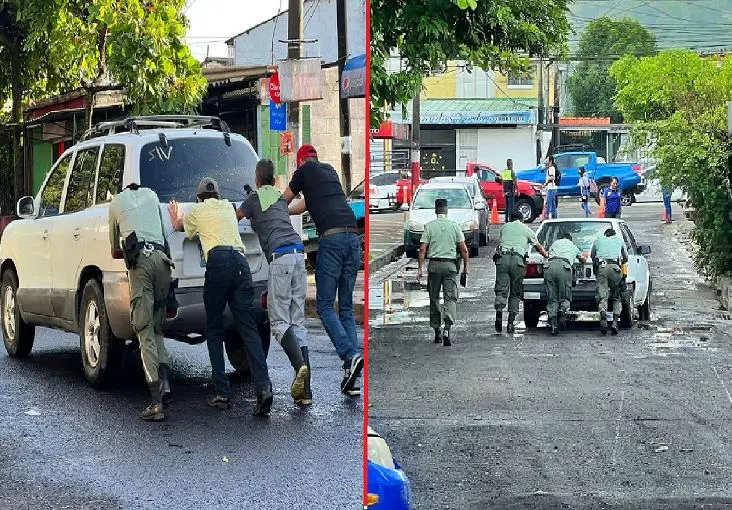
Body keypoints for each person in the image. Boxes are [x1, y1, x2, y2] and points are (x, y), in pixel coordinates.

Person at [168, 177, 273, 416]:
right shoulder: (227, 206)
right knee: (248, 329)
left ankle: (222, 394)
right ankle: (264, 388)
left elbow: (178, 226)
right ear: (218, 194)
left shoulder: (198, 210)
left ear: (199, 198)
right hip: (240, 262)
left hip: (218, 263)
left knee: (215, 329)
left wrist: (176, 214)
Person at [283, 145, 364, 396]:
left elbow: (285, 199)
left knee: (325, 306)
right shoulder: (329, 172)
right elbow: (302, 205)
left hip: (333, 241)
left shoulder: (303, 171)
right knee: (347, 306)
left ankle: (349, 355)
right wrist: (284, 210)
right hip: (353, 239)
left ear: (300, 162)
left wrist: (266, 203)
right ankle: (352, 375)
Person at [236, 159, 311, 406]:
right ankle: (305, 393)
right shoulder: (279, 198)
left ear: (257, 179)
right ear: (275, 181)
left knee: (278, 322)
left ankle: (299, 366)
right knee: (297, 322)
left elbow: (234, 217)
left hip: (279, 258)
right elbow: (292, 209)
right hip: (300, 255)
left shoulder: (254, 199)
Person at [109, 183, 173, 422]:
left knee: (143, 330)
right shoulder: (153, 194)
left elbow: (115, 248)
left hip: (142, 265)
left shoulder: (116, 202)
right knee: (157, 329)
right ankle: (165, 385)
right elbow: (164, 235)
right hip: (163, 262)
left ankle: (156, 403)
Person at [417, 198, 470, 346]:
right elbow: (464, 250)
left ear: (436, 210)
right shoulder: (454, 226)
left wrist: (420, 268)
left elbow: (422, 249)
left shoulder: (429, 227)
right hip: (450, 267)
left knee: (434, 298)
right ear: (446, 211)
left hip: (434, 266)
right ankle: (447, 328)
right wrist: (465, 268)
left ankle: (437, 331)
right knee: (450, 298)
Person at [494, 212, 549, 333]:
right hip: (518, 261)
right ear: (522, 219)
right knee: (515, 291)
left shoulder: (505, 227)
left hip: (503, 259)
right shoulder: (526, 229)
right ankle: (510, 323)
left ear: (510, 218)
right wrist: (546, 255)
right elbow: (538, 246)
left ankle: (498, 315)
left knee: (501, 289)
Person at [544, 232, 588, 335]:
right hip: (564, 268)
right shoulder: (573, 246)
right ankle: (562, 310)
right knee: (565, 295)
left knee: (552, 297)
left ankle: (553, 324)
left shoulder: (554, 244)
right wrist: (584, 256)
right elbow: (583, 260)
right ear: (570, 239)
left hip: (549, 267)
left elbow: (548, 255)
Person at [591, 227, 629, 335]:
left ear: (605, 234)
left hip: (602, 268)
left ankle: (603, 317)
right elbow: (625, 258)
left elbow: (592, 256)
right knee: (617, 297)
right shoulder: (619, 240)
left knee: (603, 296)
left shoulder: (598, 239)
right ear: (613, 234)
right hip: (615, 269)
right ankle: (615, 322)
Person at [501, 158, 518, 223]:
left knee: (507, 206)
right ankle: (511, 219)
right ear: (511, 164)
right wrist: (516, 189)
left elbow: (503, 182)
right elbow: (514, 182)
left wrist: (504, 191)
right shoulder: (512, 172)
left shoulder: (505, 172)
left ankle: (506, 219)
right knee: (511, 206)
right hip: (511, 190)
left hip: (506, 191)